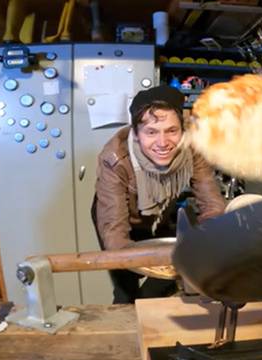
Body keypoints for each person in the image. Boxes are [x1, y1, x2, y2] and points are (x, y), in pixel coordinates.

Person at [93, 85, 226, 304]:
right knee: (126, 290)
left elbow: (213, 206)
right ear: (136, 134)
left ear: (182, 129)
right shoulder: (114, 157)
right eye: (151, 132)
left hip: (158, 214)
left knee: (172, 274)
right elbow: (116, 240)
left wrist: (206, 245)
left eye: (171, 131)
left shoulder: (193, 147)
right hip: (117, 217)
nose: (163, 143)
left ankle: (150, 316)